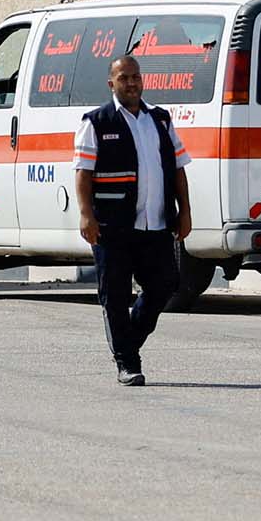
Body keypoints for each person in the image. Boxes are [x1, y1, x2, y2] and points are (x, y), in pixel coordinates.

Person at [73, 55, 193, 386]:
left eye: (136, 77)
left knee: (165, 284)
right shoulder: (96, 121)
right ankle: (127, 362)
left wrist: (185, 211)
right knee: (114, 295)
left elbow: (178, 169)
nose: (132, 83)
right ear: (111, 83)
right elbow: (83, 174)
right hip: (112, 226)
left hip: (155, 224)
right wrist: (86, 215)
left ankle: (128, 340)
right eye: (124, 78)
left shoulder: (160, 120)